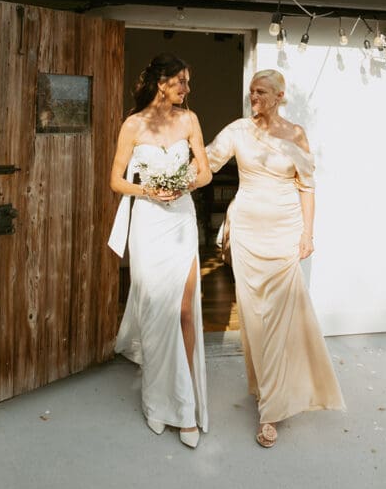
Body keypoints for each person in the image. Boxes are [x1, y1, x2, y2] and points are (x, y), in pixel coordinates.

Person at [205, 69, 344, 448]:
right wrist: (165, 178)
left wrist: (307, 234)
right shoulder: (237, 130)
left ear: (280, 95)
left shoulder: (296, 134)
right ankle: (267, 390)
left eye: (261, 92)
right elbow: (206, 165)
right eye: (251, 91)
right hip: (248, 233)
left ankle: (270, 411)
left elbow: (307, 186)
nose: (255, 97)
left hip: (285, 233)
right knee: (254, 318)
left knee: (282, 317)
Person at [108, 53, 212, 448]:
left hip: (181, 220)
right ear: (161, 82)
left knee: (185, 310)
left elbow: (205, 172)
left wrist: (184, 184)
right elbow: (116, 181)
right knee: (155, 312)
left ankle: (185, 407)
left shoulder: (190, 119)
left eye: (188, 82)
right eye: (181, 82)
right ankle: (156, 402)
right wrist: (148, 190)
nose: (187, 89)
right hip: (149, 222)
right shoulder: (132, 124)